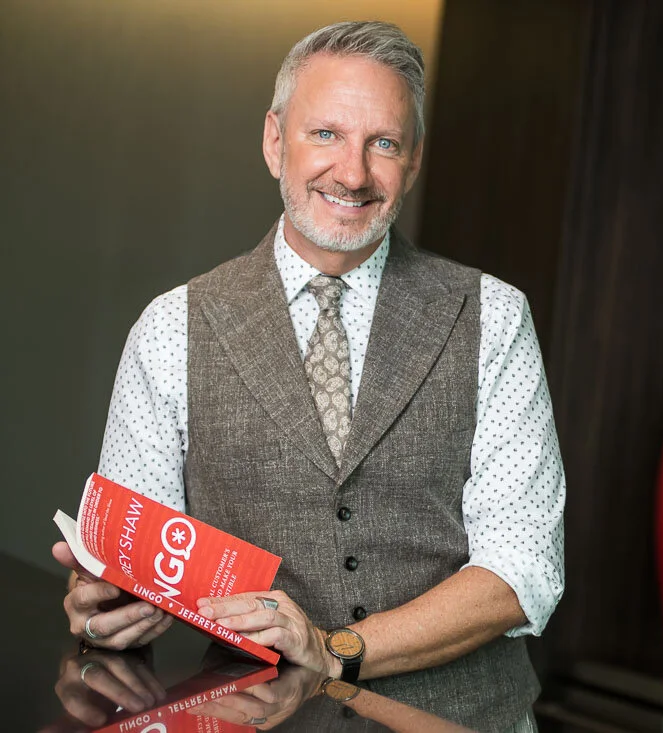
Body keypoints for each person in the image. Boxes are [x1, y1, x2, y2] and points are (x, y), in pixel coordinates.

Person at [53, 20, 565, 732]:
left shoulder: (496, 317)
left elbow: (523, 568)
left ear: (413, 159)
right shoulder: (172, 329)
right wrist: (105, 606)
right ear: (274, 142)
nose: (353, 173)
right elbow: (135, 558)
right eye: (325, 134)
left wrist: (333, 649)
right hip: (255, 715)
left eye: (383, 143)